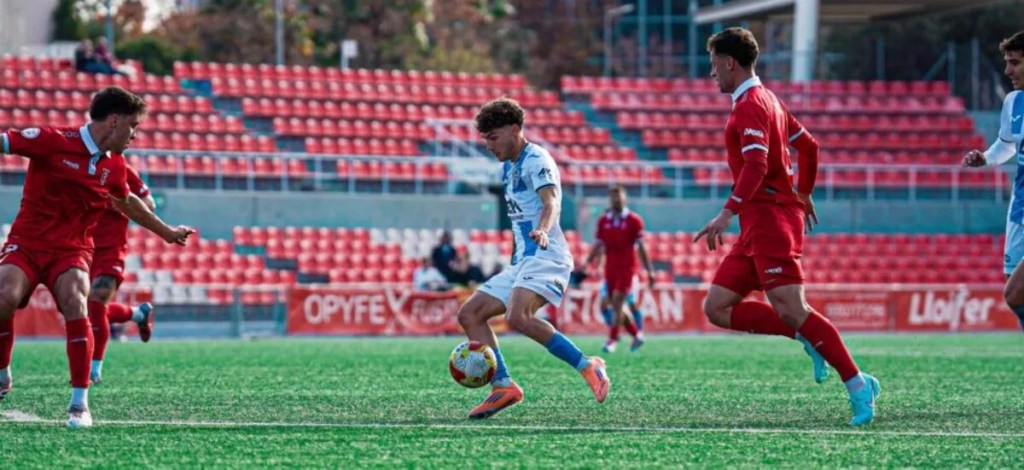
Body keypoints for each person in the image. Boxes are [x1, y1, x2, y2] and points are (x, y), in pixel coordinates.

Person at [693, 28, 879, 426]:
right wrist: (804, 192)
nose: (712, 73)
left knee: (795, 309)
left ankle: (858, 384)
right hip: (758, 222)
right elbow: (809, 146)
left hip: (771, 220)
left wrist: (726, 212)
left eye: (713, 65)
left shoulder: (751, 105)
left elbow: (757, 165)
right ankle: (808, 338)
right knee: (717, 308)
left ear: (730, 63)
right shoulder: (770, 100)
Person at [0, 86, 195, 428]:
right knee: (4, 296)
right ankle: (2, 371)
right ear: (114, 121)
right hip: (27, 243)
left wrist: (166, 232)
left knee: (78, 300)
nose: (135, 135)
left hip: (72, 250)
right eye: (133, 126)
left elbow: (127, 202)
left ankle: (79, 403)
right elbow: (5, 141)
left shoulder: (115, 166)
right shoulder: (52, 140)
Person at [455, 97, 609, 420]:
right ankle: (503, 385)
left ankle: (588, 365)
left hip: (547, 254)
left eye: (493, 137)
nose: (489, 146)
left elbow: (551, 202)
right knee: (470, 314)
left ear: (515, 129)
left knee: (518, 316)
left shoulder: (537, 159)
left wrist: (542, 229)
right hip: (524, 260)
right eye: (485, 139)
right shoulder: (507, 168)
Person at [963, 30, 1024, 329]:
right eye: (1007, 62)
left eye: (1015, 62)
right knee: (1018, 293)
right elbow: (1007, 145)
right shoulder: (1013, 102)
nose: (1008, 71)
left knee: (1014, 294)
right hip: (1019, 209)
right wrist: (986, 158)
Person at [87, 164, 158, 385]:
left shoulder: (122, 170)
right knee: (84, 310)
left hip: (111, 248)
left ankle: (93, 370)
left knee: (98, 299)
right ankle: (138, 314)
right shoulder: (77, 163)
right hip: (79, 246)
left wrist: (117, 201)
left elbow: (149, 204)